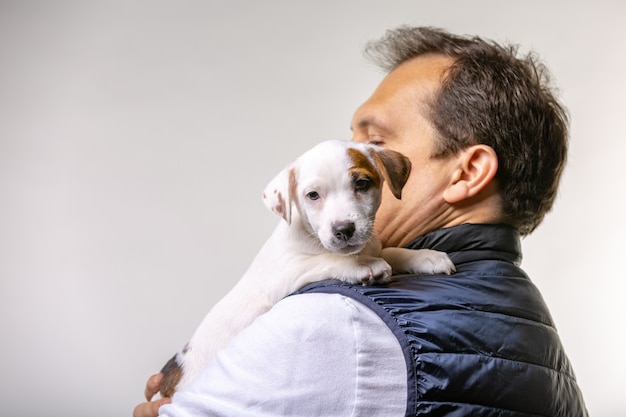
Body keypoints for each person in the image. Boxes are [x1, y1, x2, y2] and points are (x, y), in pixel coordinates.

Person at [133, 26, 588, 417]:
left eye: (373, 138)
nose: (355, 156)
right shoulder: (544, 342)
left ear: (467, 172)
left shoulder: (335, 322)